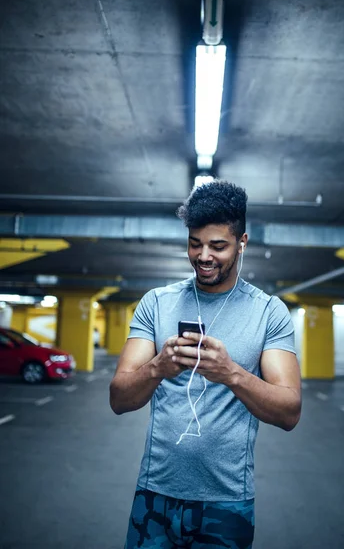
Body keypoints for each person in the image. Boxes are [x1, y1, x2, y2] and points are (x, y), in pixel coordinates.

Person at [110, 180, 301, 549]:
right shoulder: (157, 303)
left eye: (218, 246)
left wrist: (230, 373)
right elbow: (119, 399)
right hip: (155, 493)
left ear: (241, 242)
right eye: (195, 243)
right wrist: (158, 368)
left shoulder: (268, 312)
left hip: (227, 501)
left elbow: (289, 412)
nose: (203, 256)